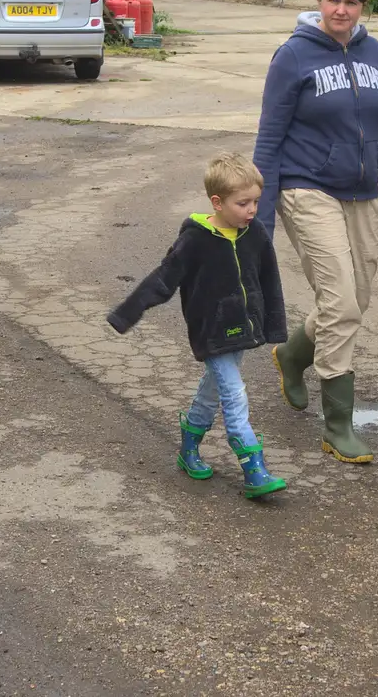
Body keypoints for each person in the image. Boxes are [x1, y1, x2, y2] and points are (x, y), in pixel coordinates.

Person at [252, 0, 378, 464]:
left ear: (362, 5)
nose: (341, 10)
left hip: (362, 194)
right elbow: (269, 139)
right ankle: (337, 426)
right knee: (341, 302)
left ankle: (294, 354)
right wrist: (259, 218)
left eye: (350, 2)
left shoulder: (376, 53)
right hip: (307, 190)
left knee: (355, 298)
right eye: (333, 0)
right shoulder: (293, 57)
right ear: (318, 0)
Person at [107, 154, 289, 500]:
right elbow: (164, 278)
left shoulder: (255, 233)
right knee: (234, 395)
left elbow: (270, 280)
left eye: (255, 202)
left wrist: (273, 326)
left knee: (212, 390)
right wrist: (126, 313)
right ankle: (254, 469)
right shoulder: (196, 240)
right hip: (211, 329)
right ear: (217, 203)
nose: (252, 210)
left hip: (243, 328)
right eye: (242, 203)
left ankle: (188, 448)